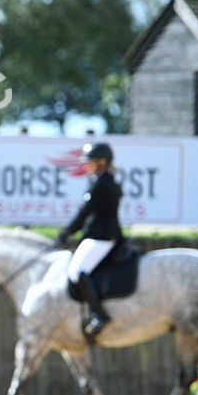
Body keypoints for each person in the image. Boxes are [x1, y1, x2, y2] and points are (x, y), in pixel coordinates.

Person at [58, 142, 122, 337]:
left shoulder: (102, 184)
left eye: (90, 161)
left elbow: (85, 212)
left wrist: (67, 231)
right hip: (100, 234)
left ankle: (99, 314)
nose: (86, 165)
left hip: (102, 236)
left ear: (101, 162)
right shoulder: (103, 180)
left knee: (77, 271)